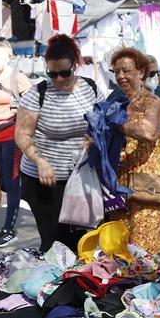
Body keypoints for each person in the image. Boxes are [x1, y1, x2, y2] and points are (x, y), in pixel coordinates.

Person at [15, 35, 105, 252]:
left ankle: (79, 281)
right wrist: (40, 161)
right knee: (54, 242)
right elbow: (22, 134)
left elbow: (103, 123)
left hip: (82, 177)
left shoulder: (91, 88)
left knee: (83, 239)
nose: (59, 79)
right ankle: (56, 283)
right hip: (45, 180)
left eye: (65, 73)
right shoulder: (38, 93)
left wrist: (95, 138)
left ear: (75, 65)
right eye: (52, 74)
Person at [107, 48, 160, 254]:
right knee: (120, 248)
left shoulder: (152, 102)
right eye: (117, 72)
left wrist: (115, 125)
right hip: (122, 185)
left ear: (141, 72)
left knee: (145, 249)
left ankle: (149, 285)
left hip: (148, 185)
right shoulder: (119, 102)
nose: (121, 76)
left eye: (126, 71)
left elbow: (148, 132)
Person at [0, 40, 32, 248]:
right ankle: (30, 192)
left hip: (12, 138)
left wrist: (13, 121)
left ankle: (8, 228)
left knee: (11, 183)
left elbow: (33, 104)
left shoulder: (16, 78)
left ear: (8, 58)